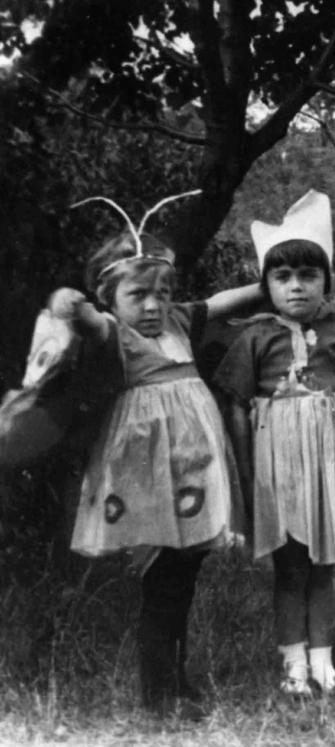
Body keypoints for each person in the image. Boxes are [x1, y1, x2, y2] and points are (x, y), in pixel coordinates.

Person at [48, 193, 260, 718]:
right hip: (150, 477)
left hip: (193, 471)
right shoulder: (114, 334)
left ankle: (177, 681)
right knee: (161, 581)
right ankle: (158, 695)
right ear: (112, 298)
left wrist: (269, 281)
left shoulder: (181, 323)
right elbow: (80, 312)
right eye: (138, 294)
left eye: (161, 293)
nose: (151, 305)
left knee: (185, 574)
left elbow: (227, 299)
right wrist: (64, 299)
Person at [215, 190, 335, 697]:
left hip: (329, 464)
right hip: (277, 465)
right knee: (289, 567)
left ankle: (324, 662)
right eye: (283, 277)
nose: (297, 287)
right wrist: (246, 475)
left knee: (325, 564)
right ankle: (294, 666)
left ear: (326, 280)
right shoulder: (255, 337)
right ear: (265, 285)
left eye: (309, 275)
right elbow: (237, 409)